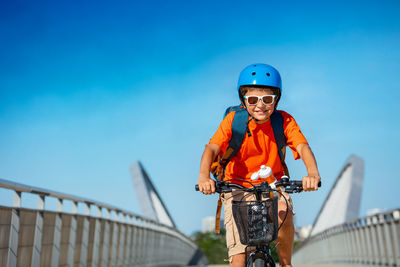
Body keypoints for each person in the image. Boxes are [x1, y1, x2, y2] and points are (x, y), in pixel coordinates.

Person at [197, 63, 321, 267]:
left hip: (273, 185)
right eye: (253, 99)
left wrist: (313, 174)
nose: (260, 105)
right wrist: (204, 177)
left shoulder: (284, 121)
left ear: (276, 100)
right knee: (238, 259)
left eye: (267, 99)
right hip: (235, 187)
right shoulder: (233, 120)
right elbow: (211, 149)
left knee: (284, 212)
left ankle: (285, 263)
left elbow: (303, 147)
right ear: (243, 101)